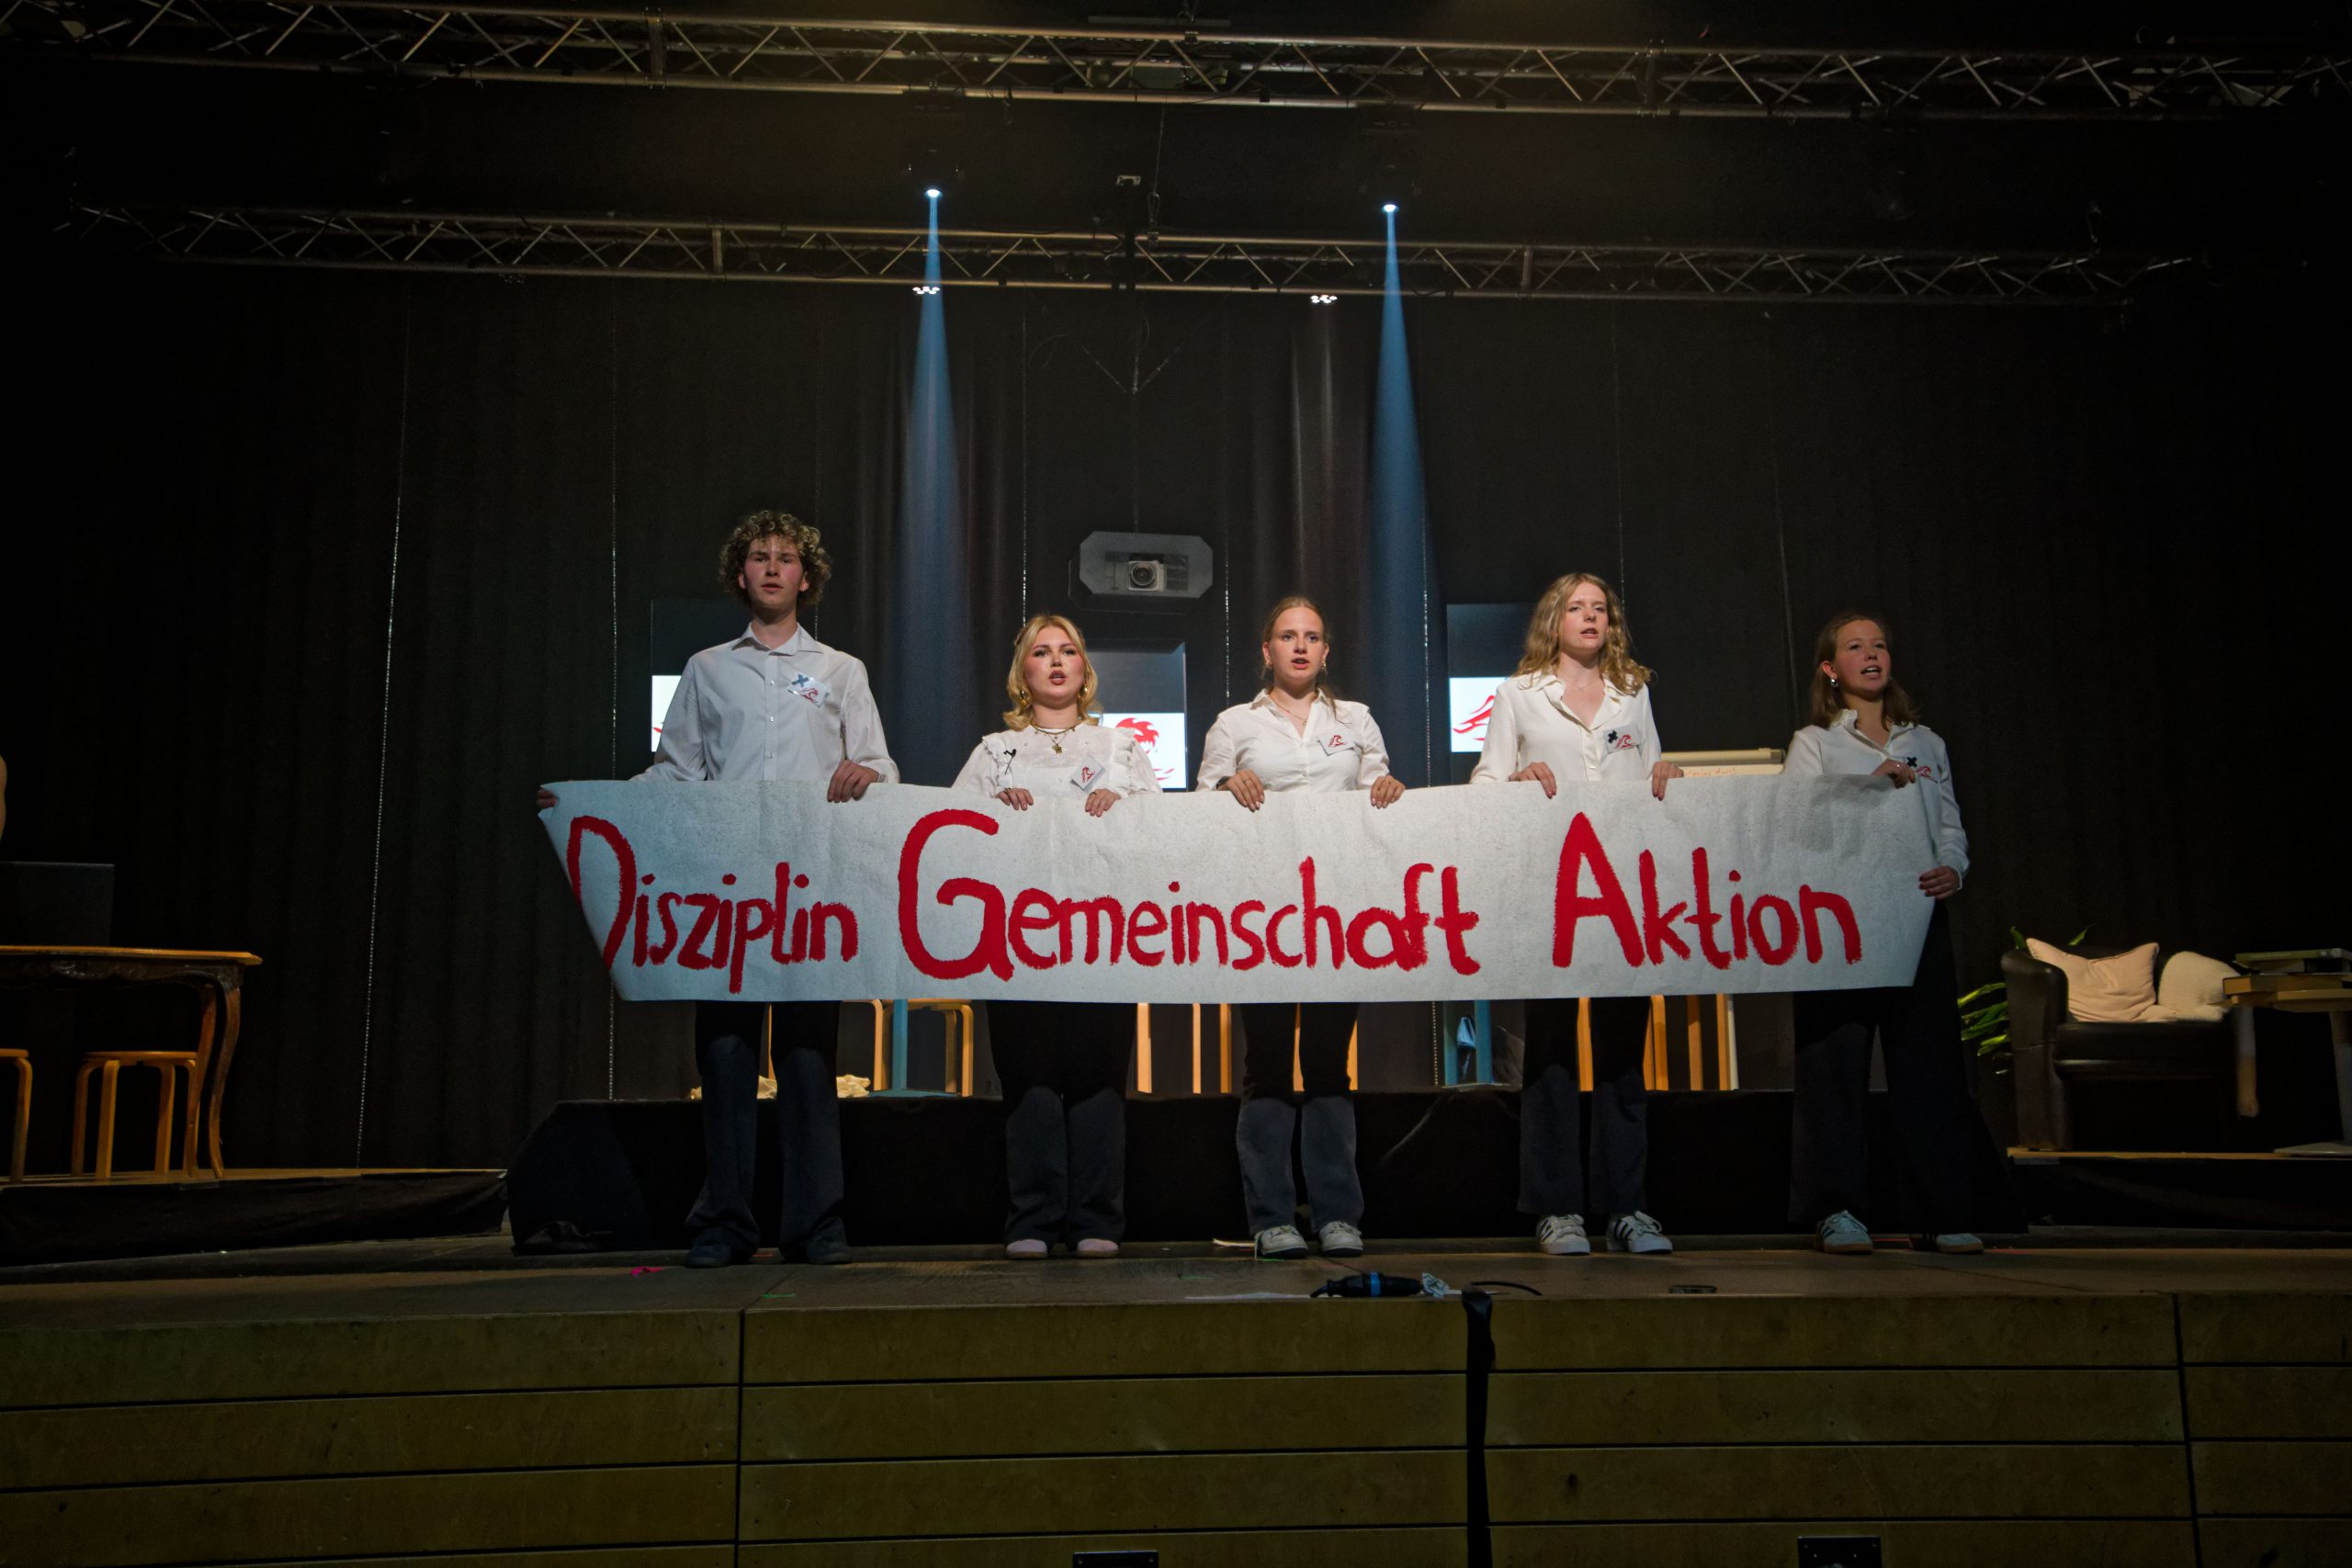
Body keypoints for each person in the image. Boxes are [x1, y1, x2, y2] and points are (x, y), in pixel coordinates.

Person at [537, 511, 896, 1268]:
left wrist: (868, 772)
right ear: (741, 573)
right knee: (726, 1055)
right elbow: (675, 773)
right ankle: (725, 1224)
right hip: (726, 888)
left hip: (809, 887)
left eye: (786, 557)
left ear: (806, 576)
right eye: (759, 556)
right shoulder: (706, 668)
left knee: (807, 1058)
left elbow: (880, 766)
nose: (772, 567)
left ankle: (816, 1225)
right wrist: (593, 805)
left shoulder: (840, 670)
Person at [1471, 572, 1681, 1258]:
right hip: (1551, 890)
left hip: (1625, 894)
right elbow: (1485, 782)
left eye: (1600, 609)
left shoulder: (1633, 692)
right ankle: (1556, 1208)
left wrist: (1666, 776)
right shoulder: (1518, 694)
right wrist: (1516, 780)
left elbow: (1651, 773)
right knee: (1552, 1050)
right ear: (1553, 620)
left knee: (1622, 1051)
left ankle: (1627, 1207)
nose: (1590, 617)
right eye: (1576, 607)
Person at [1197, 596, 1402, 1260]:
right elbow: (1199, 807)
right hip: (1262, 914)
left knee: (1327, 1063)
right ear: (1267, 650)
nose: (1300, 646)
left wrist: (1389, 790)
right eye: (1287, 635)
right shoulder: (1235, 723)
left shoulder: (1357, 719)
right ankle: (1271, 1218)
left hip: (1339, 912)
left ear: (1326, 650)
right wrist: (1227, 787)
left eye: (1312, 636)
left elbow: (1376, 793)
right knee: (1266, 1064)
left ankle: (1338, 1214)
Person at [1781, 611, 1987, 1256]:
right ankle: (1837, 1209)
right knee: (1835, 1065)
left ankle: (1941, 1208)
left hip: (1916, 913)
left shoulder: (1926, 742)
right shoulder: (1815, 743)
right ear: (1830, 668)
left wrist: (1953, 866)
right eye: (1854, 647)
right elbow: (1796, 823)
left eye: (1879, 646)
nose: (1871, 655)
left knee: (1928, 1064)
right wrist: (1865, 789)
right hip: (1840, 917)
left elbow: (1948, 823)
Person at [953, 614, 1156, 1259]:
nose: (1058, 661)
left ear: (1084, 668)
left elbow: (1161, 832)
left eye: (1069, 650)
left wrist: (1126, 811)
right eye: (1042, 652)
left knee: (1099, 1076)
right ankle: (1033, 1220)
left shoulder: (1121, 748)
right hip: (1018, 940)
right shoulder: (993, 752)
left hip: (1103, 937)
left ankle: (1096, 1218)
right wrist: (992, 814)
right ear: (1024, 671)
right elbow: (953, 834)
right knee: (1029, 1076)